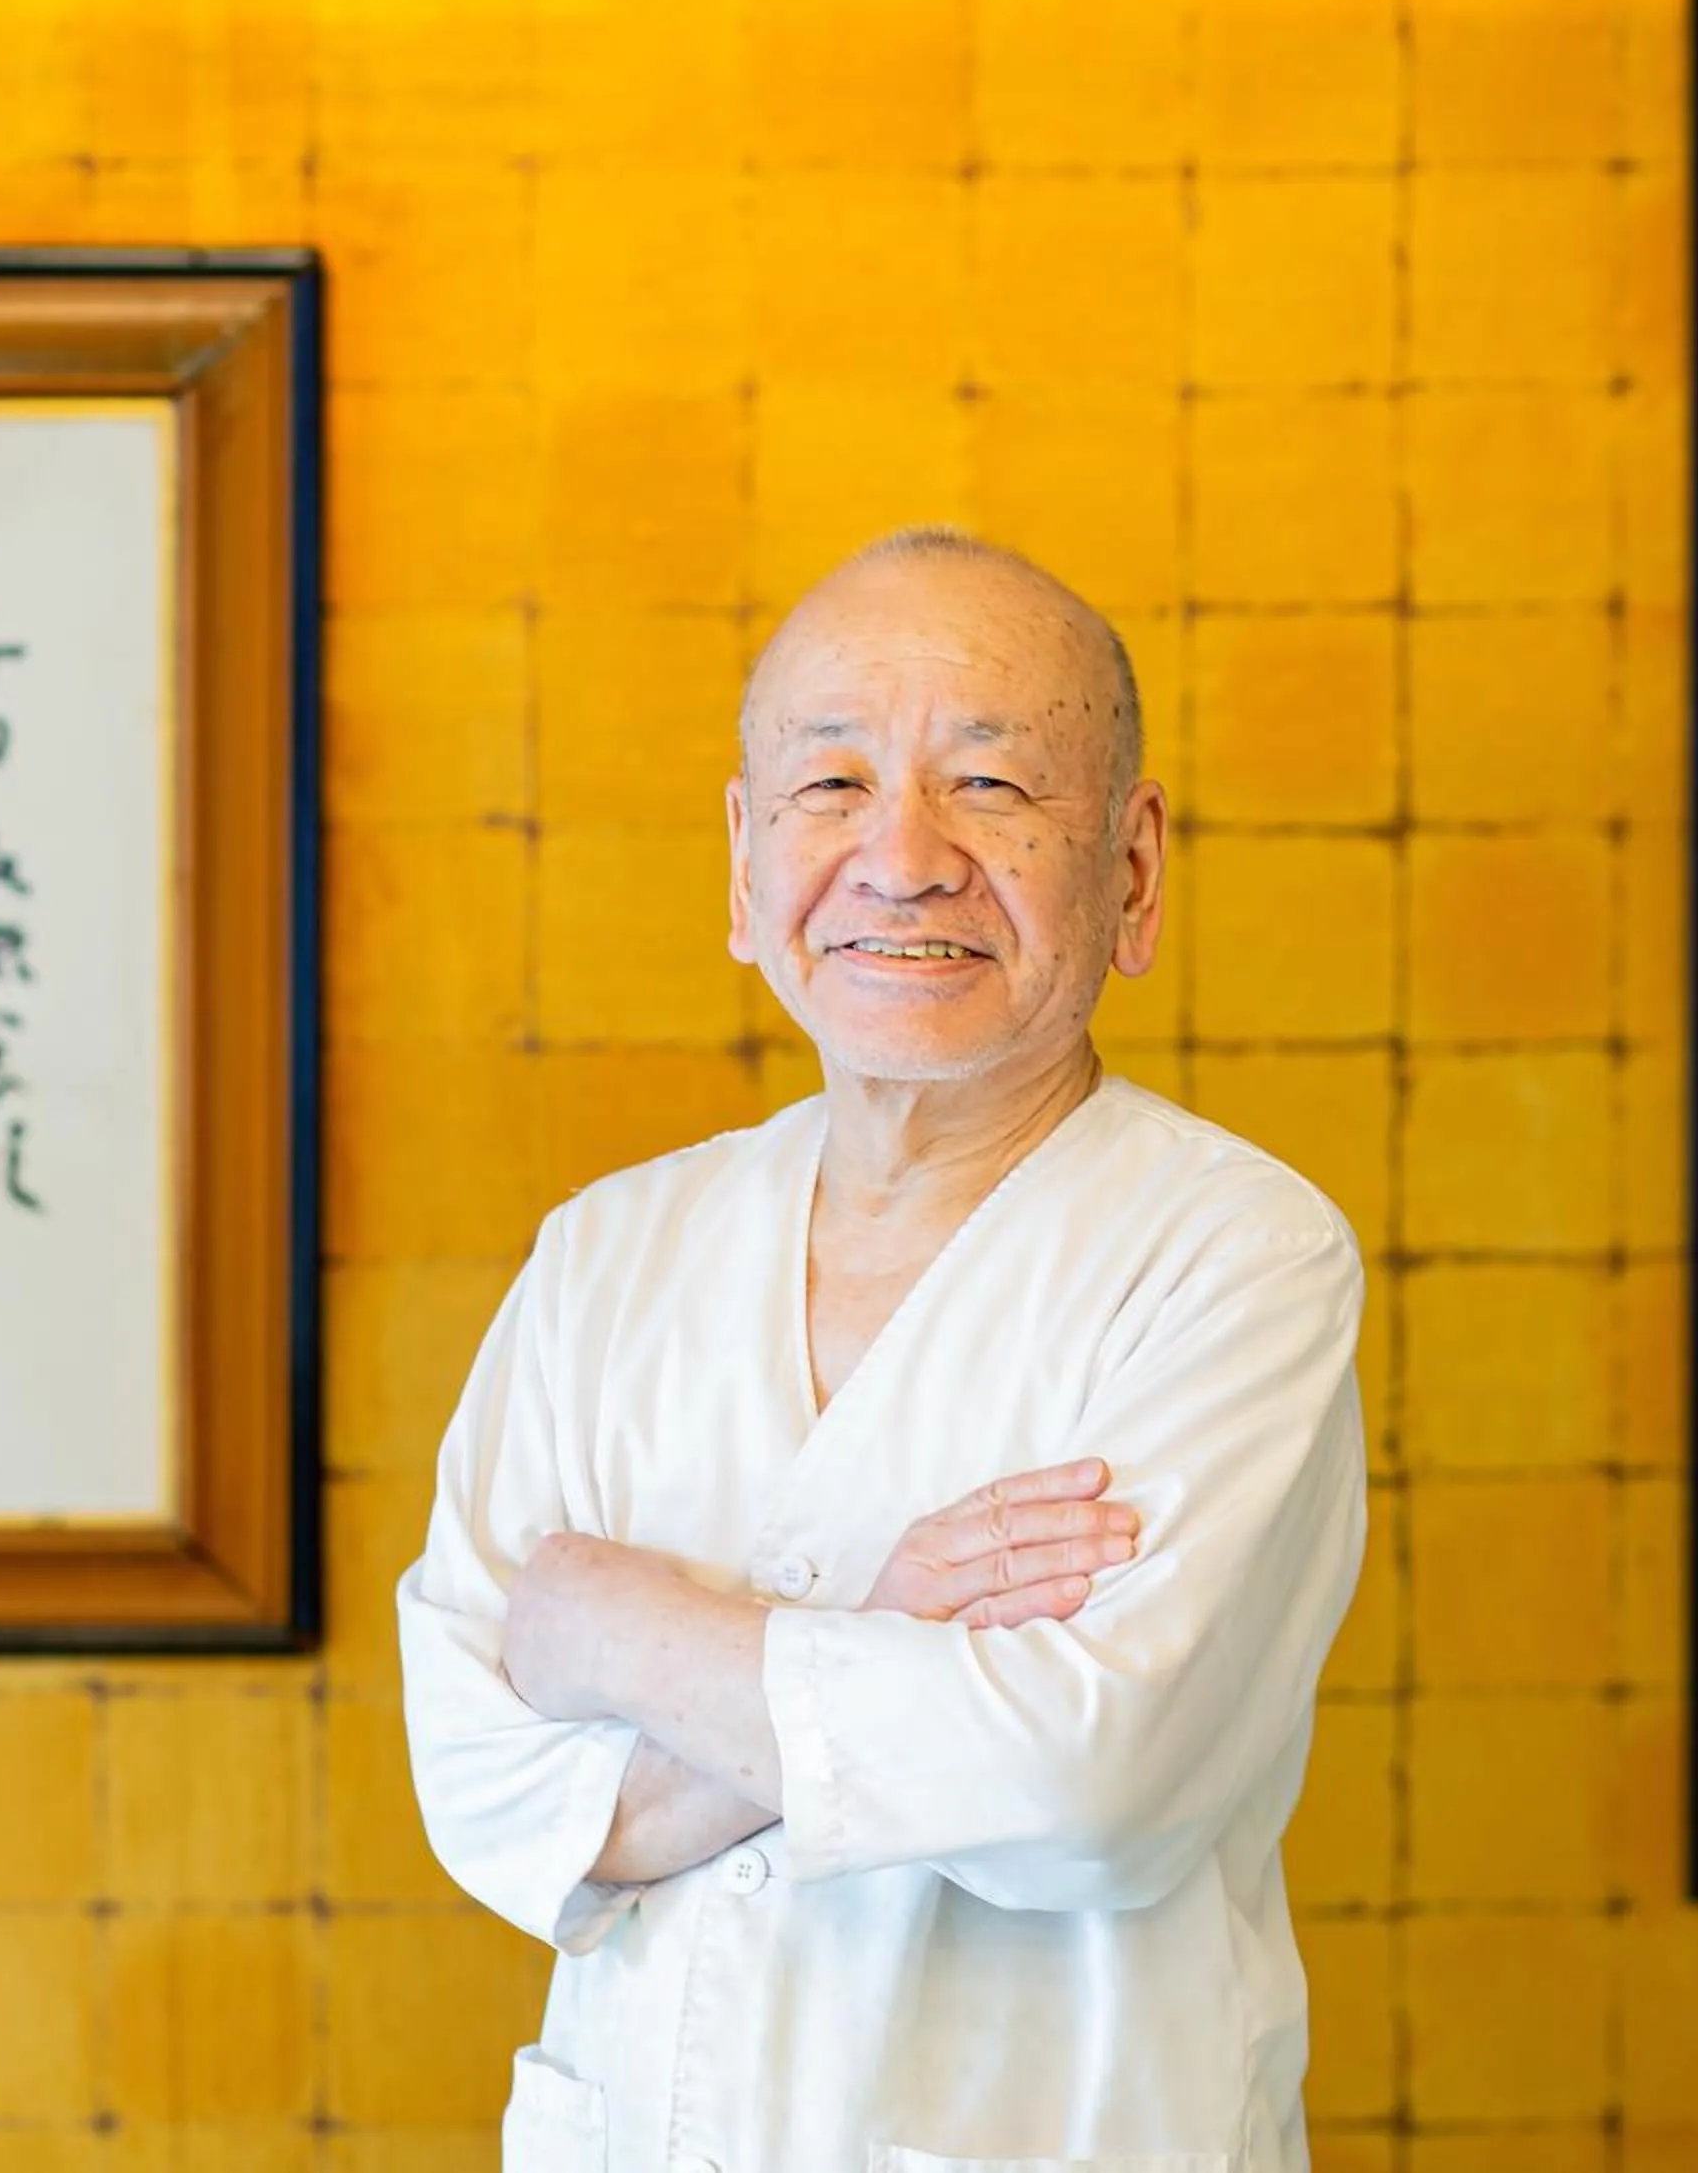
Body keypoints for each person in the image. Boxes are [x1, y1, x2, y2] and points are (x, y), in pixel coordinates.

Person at [396, 526, 1368, 2173]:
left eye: (990, 788)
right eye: (832, 785)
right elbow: (490, 1796)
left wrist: (632, 1632)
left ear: (1130, 870)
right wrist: (889, 1631)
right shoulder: (610, 1255)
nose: (901, 857)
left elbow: (1085, 1786)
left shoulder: (1236, 1256)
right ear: (742, 858)